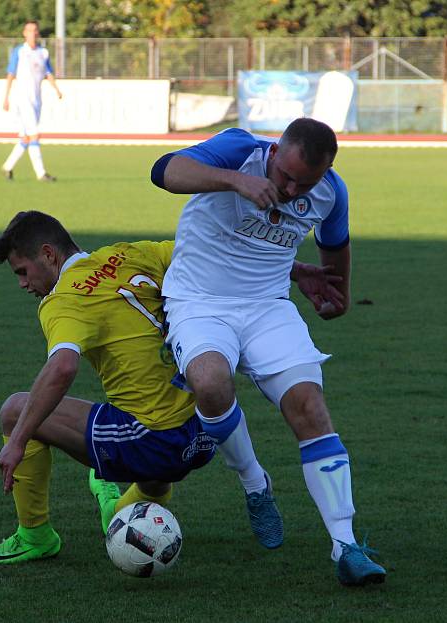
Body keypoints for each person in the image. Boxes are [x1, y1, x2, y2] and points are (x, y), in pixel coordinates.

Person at [0, 210, 340, 564]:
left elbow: (62, 367)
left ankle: (35, 536)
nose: (23, 284)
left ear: (49, 255)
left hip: (154, 441)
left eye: (22, 272)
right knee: (143, 448)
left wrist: (18, 440)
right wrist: (295, 271)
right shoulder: (132, 253)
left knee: (15, 410)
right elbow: (214, 258)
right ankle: (119, 511)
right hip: (207, 430)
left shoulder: (62, 301)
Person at [150, 117, 387, 587]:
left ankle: (346, 544)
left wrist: (331, 291)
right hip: (198, 302)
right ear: (275, 151)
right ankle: (256, 484)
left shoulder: (331, 193)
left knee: (310, 407)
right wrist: (236, 180)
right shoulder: (239, 150)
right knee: (212, 384)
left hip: (268, 307)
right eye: (285, 176)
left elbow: (335, 248)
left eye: (306, 182)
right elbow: (164, 171)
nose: (292, 188)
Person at [0, 21, 62, 183]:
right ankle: (41, 173)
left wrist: (56, 89)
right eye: (29, 30)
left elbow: (48, 73)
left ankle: (7, 167)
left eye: (35, 30)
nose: (32, 33)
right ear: (24, 33)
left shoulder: (43, 53)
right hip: (22, 100)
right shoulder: (19, 52)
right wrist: (5, 97)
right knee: (35, 135)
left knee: (26, 139)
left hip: (37, 100)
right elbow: (10, 74)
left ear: (38, 33)